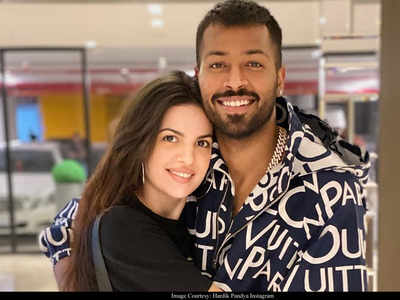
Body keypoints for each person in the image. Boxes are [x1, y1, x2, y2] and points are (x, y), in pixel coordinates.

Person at [39, 0, 370, 292]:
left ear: (279, 78)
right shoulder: (193, 163)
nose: (234, 81)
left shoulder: (328, 186)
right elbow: (71, 221)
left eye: (253, 64)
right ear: (199, 76)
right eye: (218, 64)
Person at [47, 70, 215, 291]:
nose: (188, 158)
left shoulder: (201, 219)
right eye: (170, 138)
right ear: (140, 143)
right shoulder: (122, 226)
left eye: (202, 143)